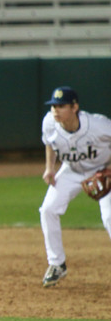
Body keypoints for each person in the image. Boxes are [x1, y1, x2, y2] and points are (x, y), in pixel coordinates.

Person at [38, 86, 111, 287]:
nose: (55, 110)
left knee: (109, 217)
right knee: (48, 209)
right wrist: (50, 168)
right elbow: (50, 143)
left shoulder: (98, 125)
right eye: (53, 106)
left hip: (102, 170)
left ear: (74, 107)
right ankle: (57, 264)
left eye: (61, 106)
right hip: (71, 170)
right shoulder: (49, 123)